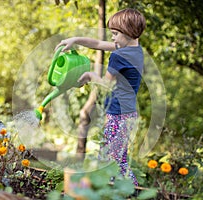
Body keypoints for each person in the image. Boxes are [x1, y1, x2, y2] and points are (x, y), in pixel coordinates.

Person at [56, 8, 146, 186]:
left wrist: (89, 76)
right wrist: (75, 40)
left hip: (119, 115)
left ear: (127, 32)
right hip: (128, 114)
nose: (112, 38)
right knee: (115, 159)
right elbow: (98, 43)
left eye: (114, 33)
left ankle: (131, 192)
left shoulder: (119, 55)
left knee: (111, 161)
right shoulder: (135, 50)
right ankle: (124, 191)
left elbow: (106, 84)